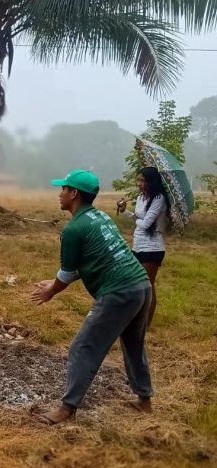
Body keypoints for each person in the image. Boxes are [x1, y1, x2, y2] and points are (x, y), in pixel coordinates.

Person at [32, 169, 153, 425]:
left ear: (74, 193)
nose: (60, 193)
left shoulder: (74, 229)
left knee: (82, 347)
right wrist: (54, 281)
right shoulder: (100, 217)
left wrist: (50, 290)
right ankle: (144, 401)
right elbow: (91, 261)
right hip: (141, 286)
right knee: (133, 344)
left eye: (63, 188)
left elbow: (66, 274)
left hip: (118, 292)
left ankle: (67, 409)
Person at [117, 167, 171, 327]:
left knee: (147, 285)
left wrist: (138, 221)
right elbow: (138, 218)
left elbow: (145, 223)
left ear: (151, 181)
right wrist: (124, 210)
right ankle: (136, 319)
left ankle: (145, 325)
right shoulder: (141, 198)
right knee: (135, 283)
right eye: (138, 180)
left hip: (153, 248)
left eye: (143, 180)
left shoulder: (159, 198)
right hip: (138, 245)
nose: (139, 183)